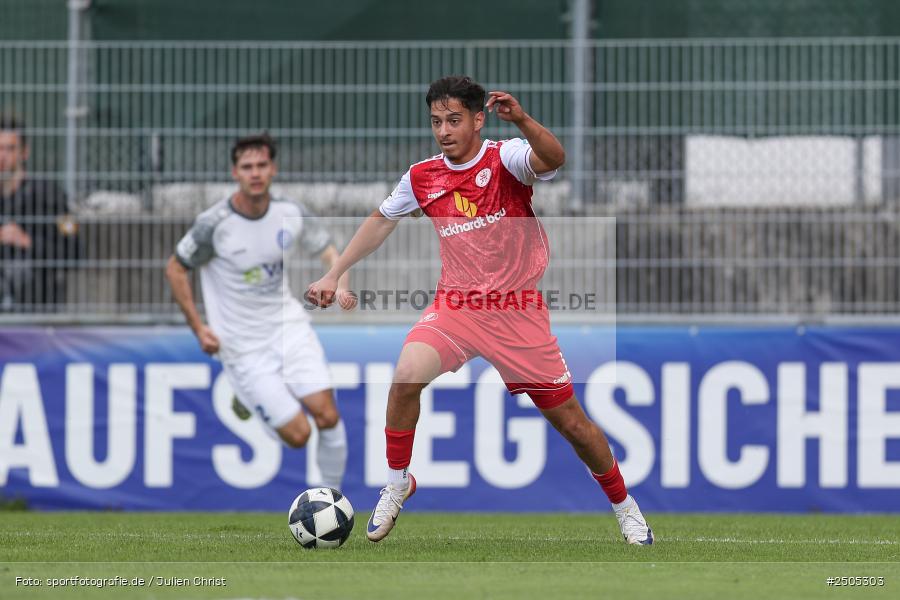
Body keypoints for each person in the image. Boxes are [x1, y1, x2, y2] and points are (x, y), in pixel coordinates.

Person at [307, 75, 654, 544]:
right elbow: (380, 221)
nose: (444, 130)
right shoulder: (422, 177)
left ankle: (625, 507)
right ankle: (397, 482)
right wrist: (334, 273)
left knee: (573, 424)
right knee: (407, 374)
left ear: (477, 119)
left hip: (516, 312)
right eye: (435, 122)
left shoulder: (505, 158)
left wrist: (525, 121)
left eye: (453, 120)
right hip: (458, 307)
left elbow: (554, 158)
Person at [166, 133, 354, 491]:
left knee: (327, 415)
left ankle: (333, 501)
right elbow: (175, 268)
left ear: (273, 169)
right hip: (241, 345)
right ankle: (246, 396)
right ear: (235, 172)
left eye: (262, 165)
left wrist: (338, 283)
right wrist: (198, 328)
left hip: (288, 328)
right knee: (298, 435)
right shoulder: (214, 224)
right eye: (247, 167)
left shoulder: (290, 213)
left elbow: (332, 252)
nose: (255, 173)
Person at [0, 115, 81, 311]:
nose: (2, 156)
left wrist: (27, 241)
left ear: (24, 152)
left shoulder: (52, 196)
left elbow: (75, 251)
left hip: (38, 312)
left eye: (10, 148)